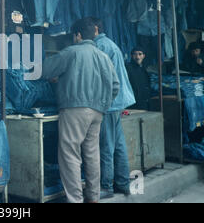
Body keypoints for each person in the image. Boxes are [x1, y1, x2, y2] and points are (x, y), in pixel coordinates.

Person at [42, 18, 120, 203]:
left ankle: (75, 200)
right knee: (92, 154)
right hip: (98, 112)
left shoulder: (71, 52)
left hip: (74, 110)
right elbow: (115, 86)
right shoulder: (103, 57)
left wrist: (58, 80)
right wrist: (103, 103)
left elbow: (45, 70)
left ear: (77, 35)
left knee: (70, 155)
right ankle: (93, 197)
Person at [90, 17, 136, 199]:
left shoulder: (100, 46)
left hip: (109, 103)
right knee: (118, 145)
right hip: (118, 102)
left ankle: (106, 186)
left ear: (94, 29)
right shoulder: (109, 43)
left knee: (106, 146)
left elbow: (97, 77)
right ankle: (123, 184)